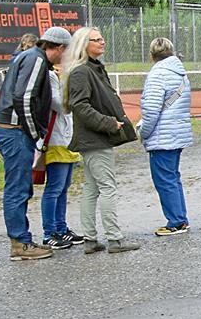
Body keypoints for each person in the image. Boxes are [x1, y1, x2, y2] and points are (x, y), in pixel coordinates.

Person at [0, 25, 71, 261]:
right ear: (59, 48)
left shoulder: (32, 58)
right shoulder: (35, 59)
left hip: (13, 129)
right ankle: (20, 243)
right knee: (18, 187)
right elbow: (24, 98)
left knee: (21, 186)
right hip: (14, 130)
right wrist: (36, 135)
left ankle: (22, 240)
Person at [63, 26, 139, 255]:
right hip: (94, 139)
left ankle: (90, 239)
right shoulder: (82, 72)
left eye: (102, 38)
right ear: (84, 45)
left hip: (94, 140)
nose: (102, 42)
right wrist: (108, 123)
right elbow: (80, 106)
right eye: (96, 40)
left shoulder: (91, 69)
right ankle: (114, 239)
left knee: (92, 188)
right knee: (107, 188)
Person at [139, 38, 192, 236]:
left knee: (165, 179)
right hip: (176, 133)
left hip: (162, 135)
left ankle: (176, 222)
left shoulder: (157, 75)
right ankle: (180, 218)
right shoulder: (180, 72)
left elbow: (151, 111)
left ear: (152, 55)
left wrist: (143, 133)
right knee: (173, 177)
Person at [39, 61, 83, 250]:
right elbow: (60, 105)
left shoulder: (63, 78)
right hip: (56, 140)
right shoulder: (49, 78)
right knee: (54, 188)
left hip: (67, 139)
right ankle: (49, 232)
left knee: (64, 187)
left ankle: (61, 227)